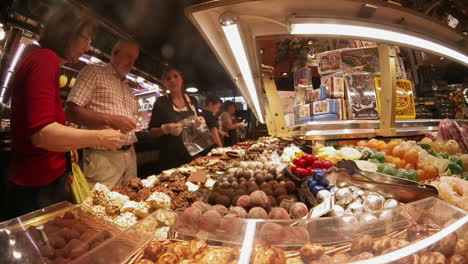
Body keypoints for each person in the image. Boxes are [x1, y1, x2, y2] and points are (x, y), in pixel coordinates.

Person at [7, 5, 125, 218]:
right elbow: (43, 134)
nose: (87, 48)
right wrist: (99, 136)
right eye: (86, 39)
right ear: (66, 33)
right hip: (37, 183)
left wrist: (68, 147)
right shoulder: (45, 59)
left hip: (43, 180)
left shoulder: (45, 60)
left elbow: (46, 125)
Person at [66, 40, 140, 189]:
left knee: (130, 205)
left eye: (134, 59)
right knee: (99, 209)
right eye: (128, 56)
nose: (131, 63)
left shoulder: (128, 88)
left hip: (130, 155)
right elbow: (71, 112)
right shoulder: (94, 71)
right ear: (114, 54)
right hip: (103, 158)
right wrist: (110, 120)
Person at [148, 68, 200, 172]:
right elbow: (151, 132)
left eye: (175, 76)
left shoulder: (192, 101)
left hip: (193, 155)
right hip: (170, 158)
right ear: (164, 84)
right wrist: (164, 129)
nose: (172, 80)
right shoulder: (161, 103)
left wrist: (199, 123)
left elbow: (196, 129)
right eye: (168, 78)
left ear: (181, 79)